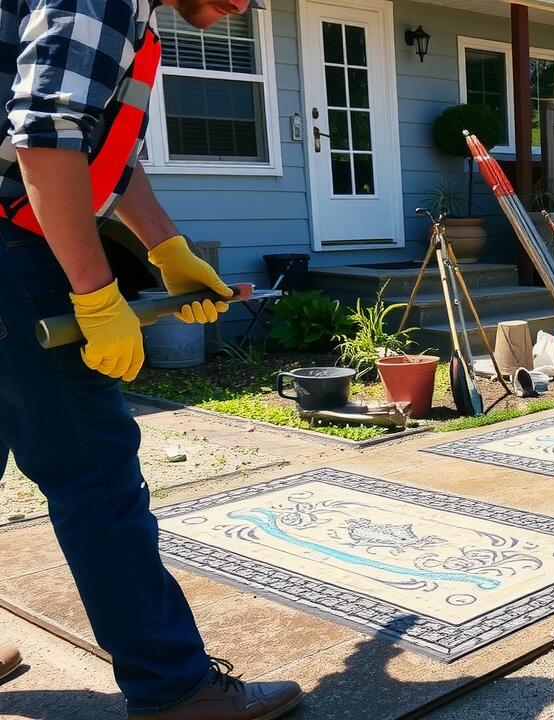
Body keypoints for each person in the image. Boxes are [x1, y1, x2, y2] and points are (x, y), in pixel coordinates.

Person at [0, 0, 302, 717]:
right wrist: (97, 294)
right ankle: (176, 690)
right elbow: (45, 137)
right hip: (12, 251)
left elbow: (103, 154)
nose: (243, 5)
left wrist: (168, 249)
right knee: (93, 470)